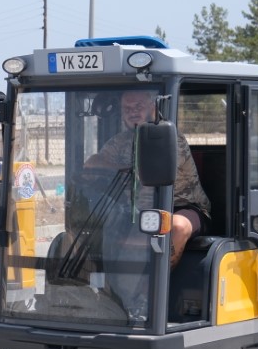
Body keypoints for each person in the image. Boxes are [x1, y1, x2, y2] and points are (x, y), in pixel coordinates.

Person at [85, 90, 211, 268]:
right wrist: (121, 169)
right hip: (135, 211)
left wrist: (127, 171)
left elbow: (152, 174)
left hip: (181, 206)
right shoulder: (120, 141)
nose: (132, 112)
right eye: (127, 108)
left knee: (177, 227)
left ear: (153, 107)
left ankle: (160, 278)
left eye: (138, 106)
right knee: (91, 225)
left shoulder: (170, 138)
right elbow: (92, 163)